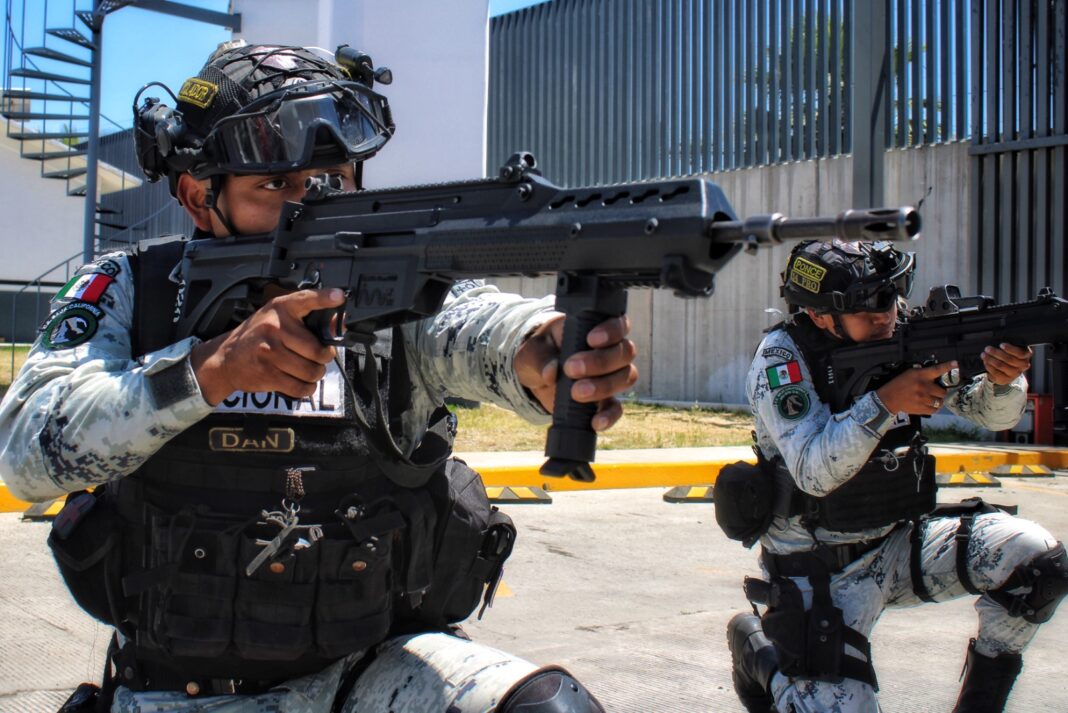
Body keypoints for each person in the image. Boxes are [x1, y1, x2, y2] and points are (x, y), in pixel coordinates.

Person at [0, 41, 638, 712]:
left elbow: (477, 324)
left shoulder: (390, 292)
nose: (309, 209)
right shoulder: (135, 292)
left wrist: (542, 354)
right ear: (197, 196)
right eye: (275, 186)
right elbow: (26, 451)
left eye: (330, 181)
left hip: (366, 674)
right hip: (179, 689)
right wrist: (205, 373)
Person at [718, 239, 1068, 713]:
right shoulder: (782, 360)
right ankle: (763, 657)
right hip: (819, 571)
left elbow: (986, 411)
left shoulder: (906, 337)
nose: (888, 313)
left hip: (900, 545)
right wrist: (886, 402)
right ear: (821, 315)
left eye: (892, 294)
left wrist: (1003, 381)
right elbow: (813, 472)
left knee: (1038, 563)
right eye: (871, 305)